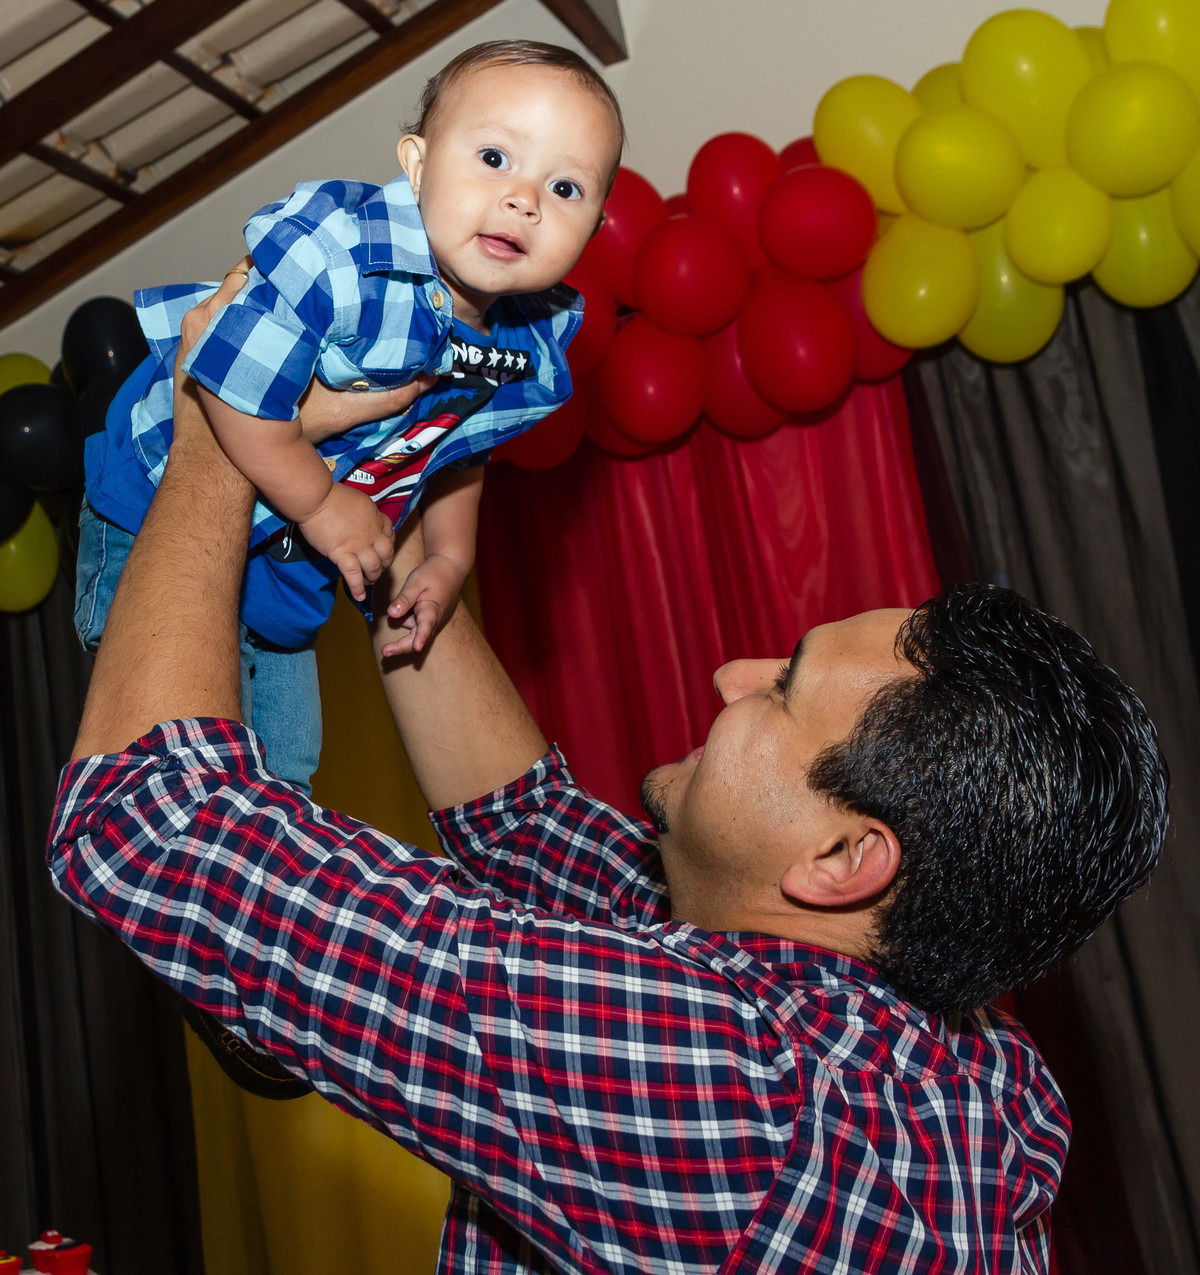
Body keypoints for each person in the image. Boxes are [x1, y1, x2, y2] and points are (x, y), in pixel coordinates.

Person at [48, 278, 1168, 1272]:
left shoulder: (737, 1099)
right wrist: (399, 540)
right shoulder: (968, 1066)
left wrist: (220, 416)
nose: (731, 675)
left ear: (843, 858)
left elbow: (147, 819)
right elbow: (529, 828)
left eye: (782, 688)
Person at [74, 39, 625, 793]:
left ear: (594, 227)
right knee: (173, 759)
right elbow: (225, 384)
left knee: (286, 776)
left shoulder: (528, 341)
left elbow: (460, 446)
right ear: (418, 165)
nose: (524, 198)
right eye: (495, 158)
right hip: (158, 500)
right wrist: (322, 503)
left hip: (287, 564)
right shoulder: (343, 256)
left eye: (565, 187)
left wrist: (447, 558)